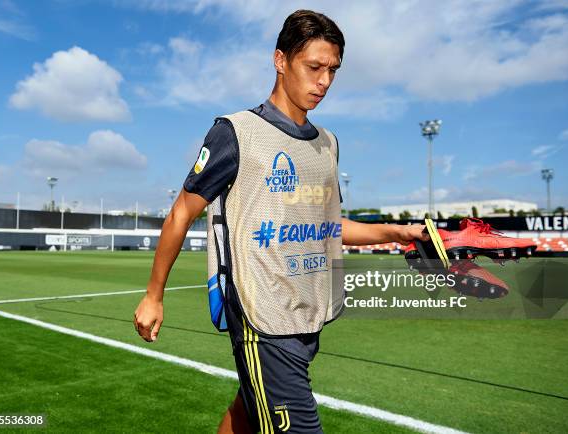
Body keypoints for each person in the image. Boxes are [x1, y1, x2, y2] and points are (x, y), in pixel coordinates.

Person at [134, 9, 428, 434]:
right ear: (280, 60)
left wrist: (399, 233)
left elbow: (326, 226)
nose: (324, 82)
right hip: (261, 317)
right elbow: (182, 211)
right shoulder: (235, 132)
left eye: (333, 70)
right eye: (314, 67)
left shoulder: (328, 144)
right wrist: (153, 295)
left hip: (307, 314)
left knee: (247, 414)